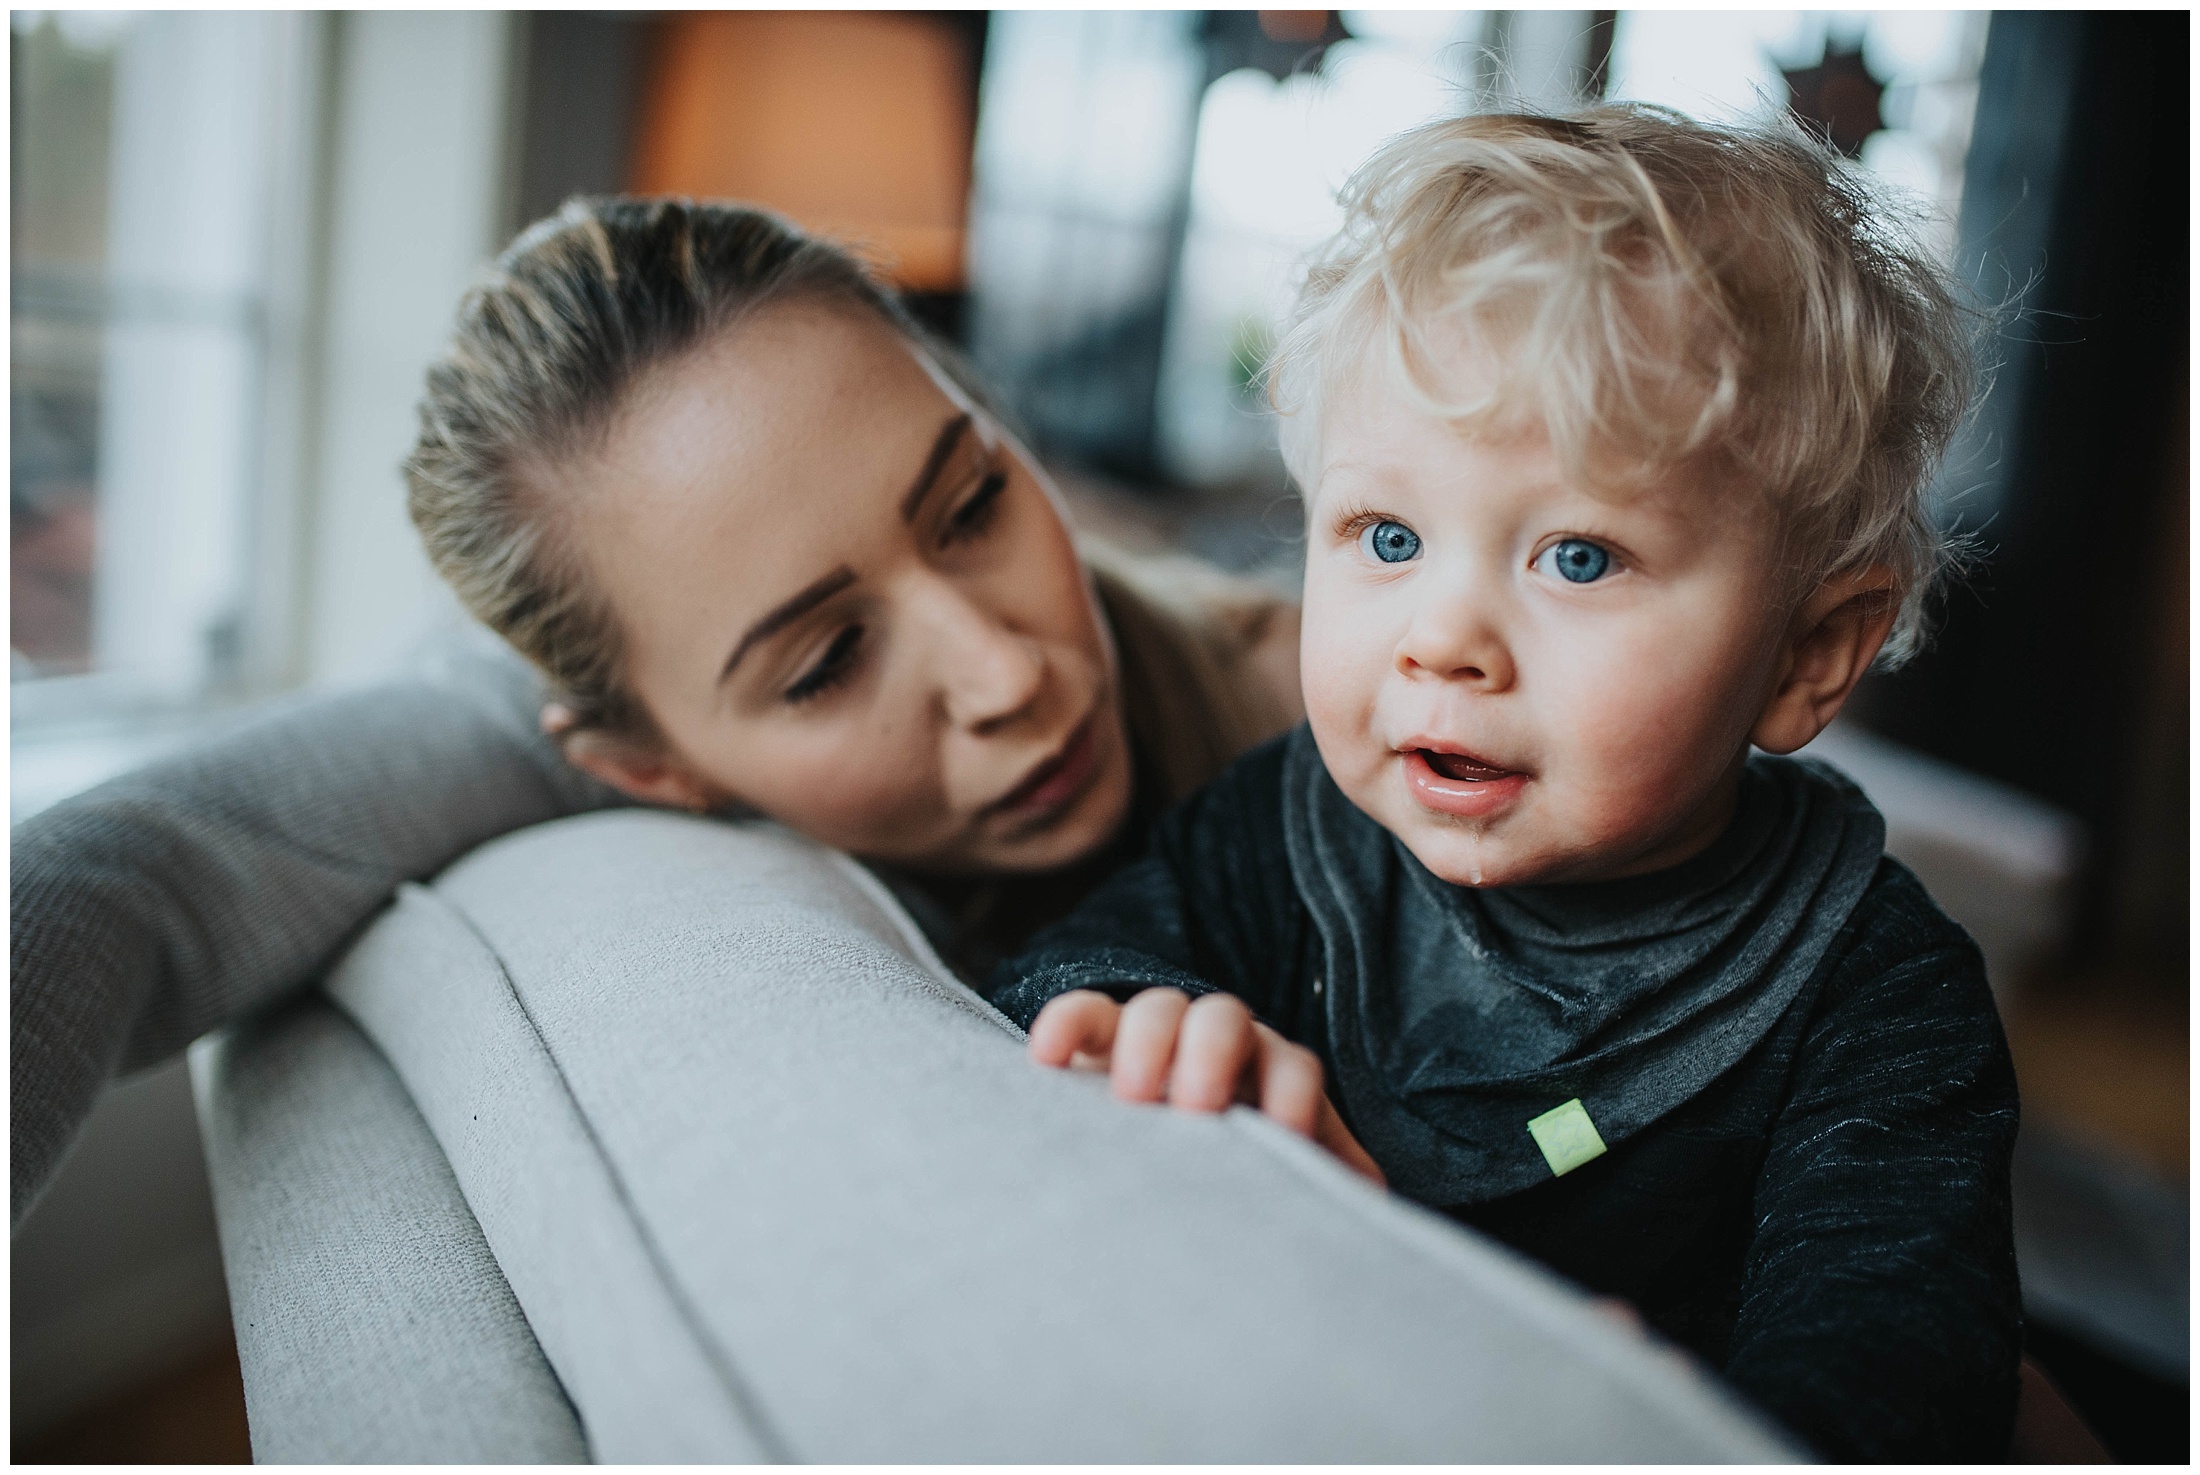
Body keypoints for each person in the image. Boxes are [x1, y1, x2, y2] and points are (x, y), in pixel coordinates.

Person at [11, 196, 1374, 1226]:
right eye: (829, 662)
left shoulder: (1360, 726)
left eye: (974, 503)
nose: (1008, 676)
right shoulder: (567, 706)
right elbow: (128, 874)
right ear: (650, 769)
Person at [989, 107, 2020, 1461]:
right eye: (1389, 535)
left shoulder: (1875, 994)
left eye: (1578, 557)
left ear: (1809, 654)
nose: (1443, 640)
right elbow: (1065, 965)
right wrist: (1137, 1010)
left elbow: (1902, 1368)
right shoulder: (1285, 830)